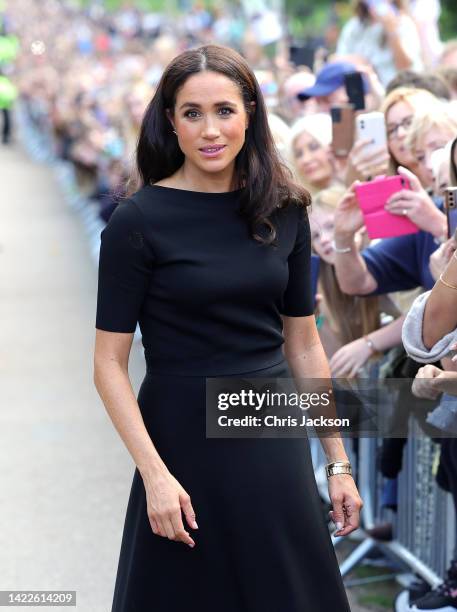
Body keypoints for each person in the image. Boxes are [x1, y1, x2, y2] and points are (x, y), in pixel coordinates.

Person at [93, 44, 362, 612]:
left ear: (251, 115)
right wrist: (154, 475)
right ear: (171, 121)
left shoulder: (286, 209)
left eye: (225, 110)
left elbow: (305, 341)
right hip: (179, 436)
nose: (210, 130)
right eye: (192, 113)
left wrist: (336, 461)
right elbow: (108, 364)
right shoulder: (136, 221)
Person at [336, 0, 423, 87]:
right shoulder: (355, 26)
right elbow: (337, 60)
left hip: (395, 92)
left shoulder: (404, 23)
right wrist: (358, 61)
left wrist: (391, 31)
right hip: (365, 94)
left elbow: (406, 68)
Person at [288, 113, 341, 197]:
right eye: (299, 154)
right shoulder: (301, 206)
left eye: (314, 147)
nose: (306, 159)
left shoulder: (358, 187)